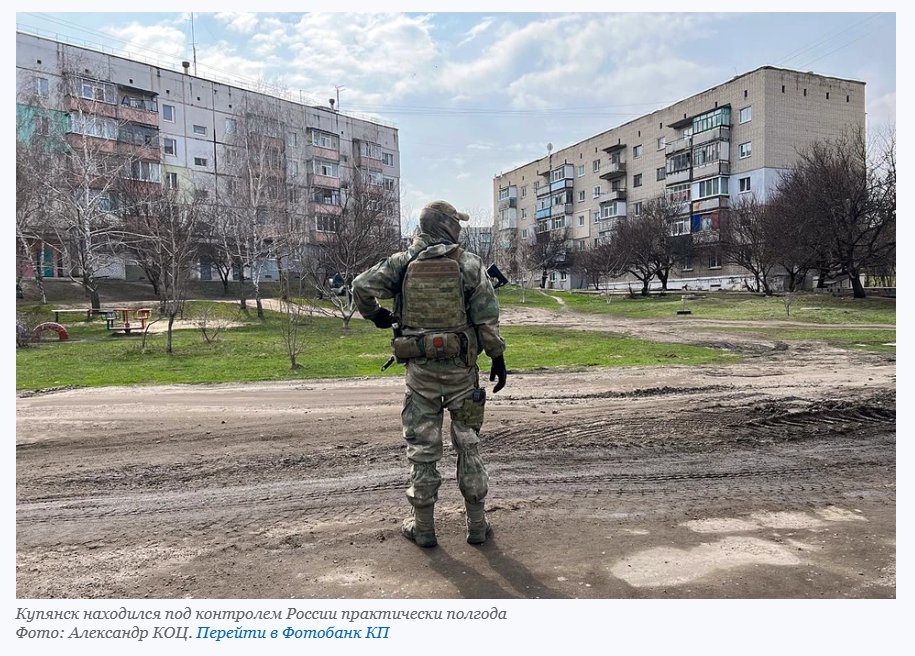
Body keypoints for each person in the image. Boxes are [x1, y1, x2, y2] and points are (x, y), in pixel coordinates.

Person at [352, 200, 507, 547]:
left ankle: (423, 527)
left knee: (423, 451)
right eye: (456, 222)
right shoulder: (468, 264)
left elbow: (361, 286)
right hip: (461, 374)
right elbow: (486, 318)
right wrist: (497, 357)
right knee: (468, 445)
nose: (459, 228)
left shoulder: (402, 263)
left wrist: (376, 316)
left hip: (420, 375)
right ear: (446, 226)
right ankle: (476, 525)